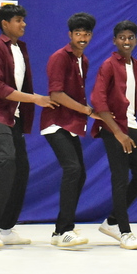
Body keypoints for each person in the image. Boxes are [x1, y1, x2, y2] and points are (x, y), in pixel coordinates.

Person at [0, 4, 55, 249]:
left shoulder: (21, 48)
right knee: (5, 160)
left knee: (21, 168)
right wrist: (36, 99)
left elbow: (21, 84)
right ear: (5, 23)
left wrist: (28, 103)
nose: (23, 24)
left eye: (23, 20)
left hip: (13, 114)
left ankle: (5, 227)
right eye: (18, 20)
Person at [91, 20, 137, 250]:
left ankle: (112, 221)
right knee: (120, 178)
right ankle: (125, 232)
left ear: (136, 41)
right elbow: (99, 102)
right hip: (112, 126)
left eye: (130, 37)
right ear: (114, 40)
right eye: (122, 37)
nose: (126, 41)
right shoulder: (108, 65)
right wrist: (118, 133)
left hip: (131, 125)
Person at [41, 12, 99, 248]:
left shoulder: (83, 60)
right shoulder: (60, 57)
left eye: (86, 34)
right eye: (78, 34)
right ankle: (65, 229)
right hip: (56, 122)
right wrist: (87, 111)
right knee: (73, 169)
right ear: (70, 35)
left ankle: (60, 230)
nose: (82, 38)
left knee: (80, 173)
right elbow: (56, 94)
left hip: (71, 123)